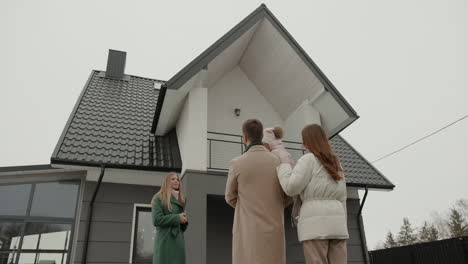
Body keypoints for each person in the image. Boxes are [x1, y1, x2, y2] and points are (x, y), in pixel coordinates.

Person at [277, 124, 348, 264]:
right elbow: (342, 198)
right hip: (338, 225)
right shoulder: (336, 163)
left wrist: (284, 166)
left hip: (315, 225)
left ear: (306, 141)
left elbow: (291, 188)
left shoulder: (308, 160)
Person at [225, 119, 291, 264]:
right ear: (262, 136)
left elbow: (230, 197)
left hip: (247, 230)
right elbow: (288, 196)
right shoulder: (277, 161)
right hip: (274, 229)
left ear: (245, 138)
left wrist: (247, 207)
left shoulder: (237, 163)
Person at [263, 126, 301, 226]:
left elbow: (289, 172)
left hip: (283, 188)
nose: (262, 146)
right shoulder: (279, 152)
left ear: (269, 142)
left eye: (264, 143)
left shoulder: (279, 154)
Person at [151, 172, 188, 264]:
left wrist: (184, 221)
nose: (176, 181)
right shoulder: (158, 197)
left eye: (178, 180)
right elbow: (156, 220)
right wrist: (177, 218)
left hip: (178, 241)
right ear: (167, 182)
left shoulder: (181, 200)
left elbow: (182, 228)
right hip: (165, 240)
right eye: (173, 179)